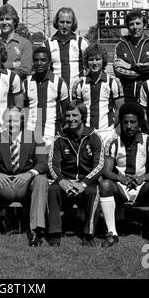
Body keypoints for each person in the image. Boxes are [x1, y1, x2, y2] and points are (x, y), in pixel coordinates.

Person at [0, 107, 48, 247]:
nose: (11, 124)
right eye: (8, 121)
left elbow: (43, 163)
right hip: (4, 185)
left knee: (41, 179)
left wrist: (29, 174)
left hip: (26, 186)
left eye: (14, 120)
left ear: (21, 121)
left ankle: (35, 231)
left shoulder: (36, 137)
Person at [99, 103, 149, 248]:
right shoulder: (113, 143)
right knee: (104, 185)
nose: (129, 126)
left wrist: (141, 178)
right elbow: (106, 171)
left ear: (139, 123)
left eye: (133, 122)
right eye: (125, 122)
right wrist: (122, 178)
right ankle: (112, 233)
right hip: (121, 188)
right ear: (121, 123)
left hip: (142, 187)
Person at [47, 100, 104, 247]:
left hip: (86, 182)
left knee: (94, 191)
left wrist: (83, 184)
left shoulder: (95, 137)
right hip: (66, 181)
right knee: (53, 189)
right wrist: (61, 181)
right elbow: (52, 164)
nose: (70, 119)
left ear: (83, 117)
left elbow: (99, 166)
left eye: (74, 115)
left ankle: (88, 234)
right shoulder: (60, 138)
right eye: (67, 115)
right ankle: (54, 234)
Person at [74, 43, 124, 144]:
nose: (94, 62)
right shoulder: (79, 84)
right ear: (86, 62)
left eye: (98, 59)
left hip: (107, 132)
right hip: (86, 131)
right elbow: (76, 110)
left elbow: (120, 107)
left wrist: (113, 126)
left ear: (103, 61)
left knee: (106, 159)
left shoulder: (113, 82)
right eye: (91, 59)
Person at [23, 46, 69, 150]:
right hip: (30, 135)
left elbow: (66, 111)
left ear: (49, 62)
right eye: (36, 60)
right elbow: (23, 110)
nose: (39, 63)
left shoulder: (59, 83)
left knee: (48, 165)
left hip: (51, 134)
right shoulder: (26, 83)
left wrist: (59, 130)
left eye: (43, 60)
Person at [113, 10, 149, 104]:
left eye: (138, 23)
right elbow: (118, 70)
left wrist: (131, 66)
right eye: (131, 24)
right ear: (127, 27)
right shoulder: (120, 45)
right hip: (126, 94)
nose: (135, 27)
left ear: (145, 25)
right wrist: (143, 73)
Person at [43, 7, 89, 97]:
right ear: (57, 22)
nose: (64, 26)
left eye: (68, 22)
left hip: (76, 93)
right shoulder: (47, 44)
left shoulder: (81, 43)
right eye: (61, 22)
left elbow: (89, 68)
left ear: (73, 23)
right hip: (54, 91)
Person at [0, 3, 32, 80]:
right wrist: (14, 64)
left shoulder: (25, 43)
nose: (4, 23)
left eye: (8, 19)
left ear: (14, 21)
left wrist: (0, 70)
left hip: (17, 89)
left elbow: (25, 70)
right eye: (1, 19)